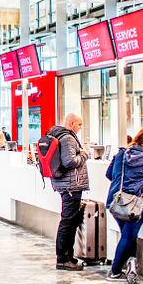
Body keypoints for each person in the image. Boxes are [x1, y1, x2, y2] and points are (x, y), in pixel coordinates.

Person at [105, 128, 143, 283]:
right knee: (128, 236)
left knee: (129, 236)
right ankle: (115, 271)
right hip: (134, 204)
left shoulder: (121, 154)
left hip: (116, 200)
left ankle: (131, 267)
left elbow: (109, 174)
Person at [47, 113, 89, 271]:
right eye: (79, 124)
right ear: (71, 124)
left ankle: (67, 256)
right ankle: (63, 258)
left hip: (65, 183)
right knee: (68, 221)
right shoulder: (69, 138)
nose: (80, 128)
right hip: (71, 185)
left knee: (69, 220)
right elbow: (70, 161)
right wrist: (84, 154)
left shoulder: (56, 135)